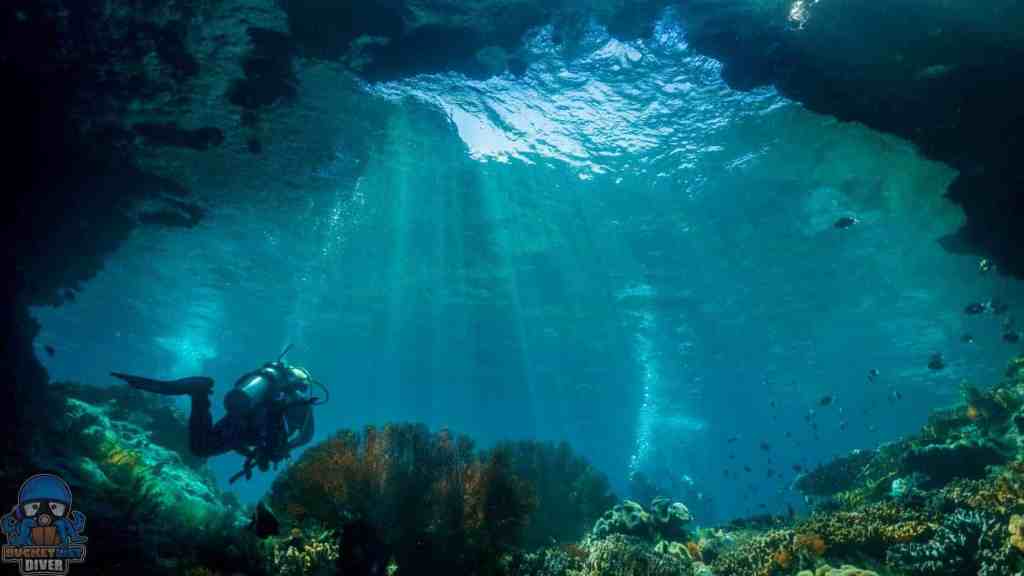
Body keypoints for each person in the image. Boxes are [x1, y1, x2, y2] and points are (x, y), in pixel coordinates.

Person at [111, 348, 324, 482]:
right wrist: (284, 448)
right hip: (242, 426)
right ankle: (199, 392)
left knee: (202, 444)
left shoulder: (271, 388)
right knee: (201, 447)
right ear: (303, 385)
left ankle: (199, 392)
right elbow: (306, 436)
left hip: (238, 417)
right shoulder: (297, 401)